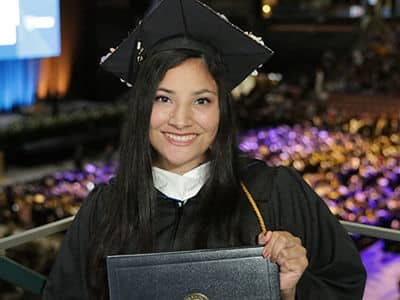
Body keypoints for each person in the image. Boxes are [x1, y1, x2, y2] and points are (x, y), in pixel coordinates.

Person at [42, 0, 366, 299]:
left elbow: (345, 286)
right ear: (141, 107)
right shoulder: (104, 210)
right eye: (163, 98)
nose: (181, 120)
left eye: (201, 100)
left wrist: (295, 289)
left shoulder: (275, 193)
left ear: (221, 109)